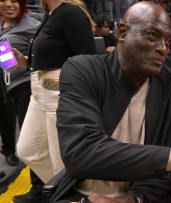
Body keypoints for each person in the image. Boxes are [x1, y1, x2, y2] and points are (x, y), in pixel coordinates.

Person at [51, 2, 171, 203]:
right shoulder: (83, 70)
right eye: (152, 37)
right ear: (123, 32)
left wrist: (131, 199)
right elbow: (80, 153)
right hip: (81, 195)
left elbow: (167, 174)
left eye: (168, 43)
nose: (162, 49)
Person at [12, 0, 96, 202]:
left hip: (58, 93)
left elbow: (88, 59)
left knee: (61, 160)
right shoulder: (50, 14)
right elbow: (55, 53)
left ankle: (67, 195)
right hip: (39, 92)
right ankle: (67, 192)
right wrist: (25, 61)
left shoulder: (70, 13)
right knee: (27, 150)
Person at [0, 0, 39, 166]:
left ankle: (39, 185)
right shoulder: (2, 23)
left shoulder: (32, 23)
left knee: (30, 138)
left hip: (25, 84)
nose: (9, 4)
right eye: (4, 0)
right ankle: (8, 150)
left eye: (14, 1)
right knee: (5, 117)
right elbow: (5, 57)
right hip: (6, 80)